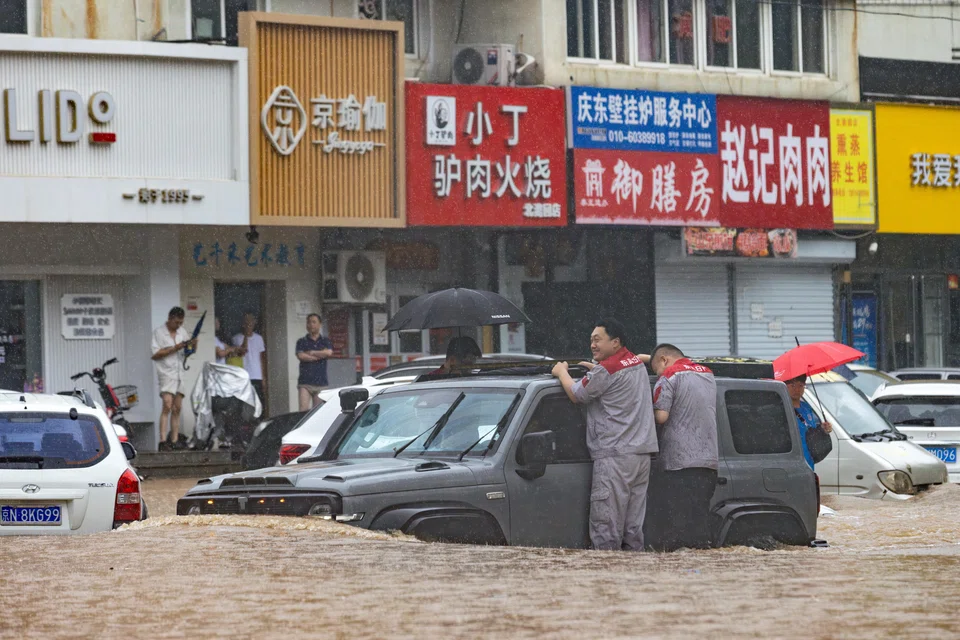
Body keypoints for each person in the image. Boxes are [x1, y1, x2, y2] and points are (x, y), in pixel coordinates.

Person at [552, 318, 659, 552]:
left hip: (615, 455)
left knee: (606, 528)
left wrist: (561, 373)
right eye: (591, 340)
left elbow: (577, 394)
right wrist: (596, 371)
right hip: (641, 455)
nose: (593, 345)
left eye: (598, 339)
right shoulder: (634, 363)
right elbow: (614, 383)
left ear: (616, 342)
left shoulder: (607, 371)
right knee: (632, 528)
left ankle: (605, 578)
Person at [644, 344, 719, 551]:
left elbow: (661, 416)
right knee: (699, 522)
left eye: (656, 369)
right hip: (708, 465)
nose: (657, 374)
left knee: (677, 530)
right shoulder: (707, 374)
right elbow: (678, 360)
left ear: (665, 361)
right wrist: (649, 359)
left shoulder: (669, 377)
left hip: (679, 464)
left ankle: (682, 577)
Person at [150, 306, 195, 450]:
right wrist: (175, 348)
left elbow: (187, 352)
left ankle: (174, 440)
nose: (179, 325)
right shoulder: (159, 332)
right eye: (176, 322)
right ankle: (163, 440)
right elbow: (155, 354)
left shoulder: (182, 332)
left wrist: (192, 346)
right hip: (166, 372)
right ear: (170, 319)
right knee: (167, 405)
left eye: (181, 323)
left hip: (180, 372)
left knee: (177, 407)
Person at [784, 375, 833, 469]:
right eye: (793, 385)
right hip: (793, 463)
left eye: (800, 385)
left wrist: (823, 429)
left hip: (809, 463)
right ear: (785, 386)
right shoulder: (783, 409)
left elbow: (812, 431)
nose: (797, 389)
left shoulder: (806, 407)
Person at [295, 313, 334, 411]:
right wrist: (320, 355)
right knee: (303, 411)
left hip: (321, 382)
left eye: (314, 322)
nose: (311, 325)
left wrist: (312, 352)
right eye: (309, 322)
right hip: (305, 382)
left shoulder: (325, 341)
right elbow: (301, 356)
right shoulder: (302, 341)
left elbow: (329, 353)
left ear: (320, 324)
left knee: (318, 412)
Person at [232, 312, 267, 407]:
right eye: (246, 321)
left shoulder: (259, 338)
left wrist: (263, 377)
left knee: (258, 403)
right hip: (243, 375)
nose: (249, 324)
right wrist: (246, 336)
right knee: (242, 403)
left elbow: (261, 358)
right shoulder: (236, 338)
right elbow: (243, 351)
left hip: (257, 375)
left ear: (255, 322)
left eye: (251, 321)